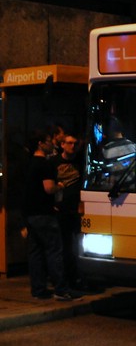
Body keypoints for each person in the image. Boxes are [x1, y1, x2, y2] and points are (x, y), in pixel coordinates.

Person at [22, 129, 80, 301]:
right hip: (44, 214)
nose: (52, 144)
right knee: (54, 251)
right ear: (41, 144)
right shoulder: (45, 164)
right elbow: (48, 188)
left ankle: (38, 289)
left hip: (30, 214)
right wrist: (60, 186)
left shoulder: (30, 163)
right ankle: (61, 289)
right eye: (48, 141)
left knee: (35, 252)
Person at [52, 130, 89, 291]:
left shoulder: (80, 163)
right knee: (62, 246)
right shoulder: (54, 163)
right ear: (62, 145)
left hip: (76, 209)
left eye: (74, 143)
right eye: (69, 143)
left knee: (75, 247)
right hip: (61, 209)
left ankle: (75, 278)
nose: (72, 146)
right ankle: (62, 278)